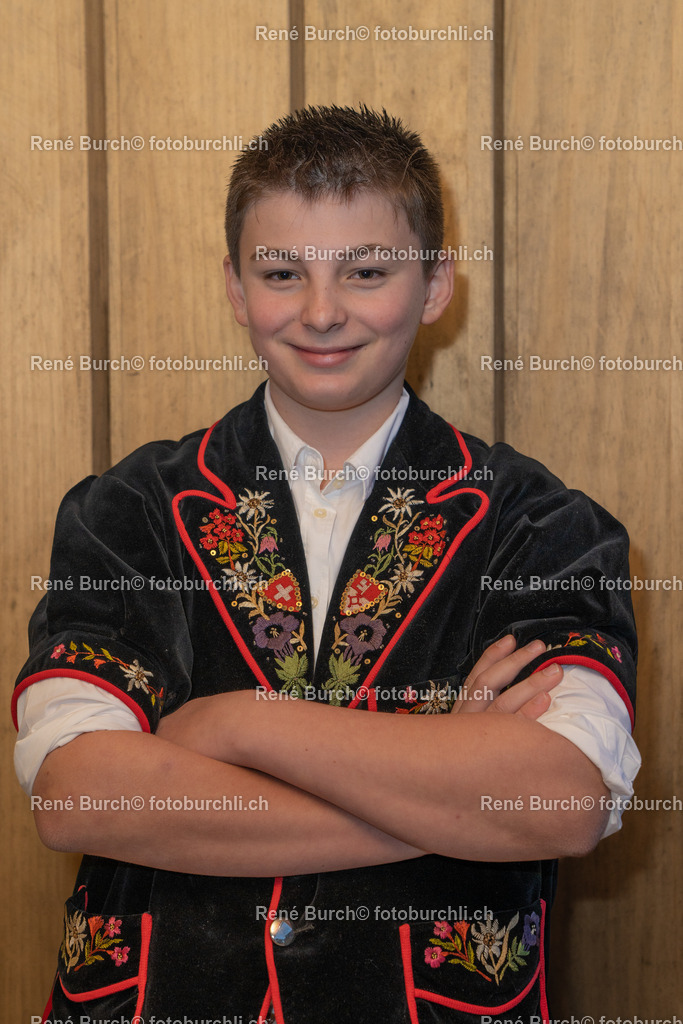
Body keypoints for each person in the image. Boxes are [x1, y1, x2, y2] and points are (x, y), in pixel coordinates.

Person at [13, 105, 639, 1024]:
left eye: (367, 271)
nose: (320, 312)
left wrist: (233, 723)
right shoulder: (127, 510)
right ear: (234, 287)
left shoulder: (540, 525)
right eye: (281, 273)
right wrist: (445, 798)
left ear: (434, 286)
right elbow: (81, 798)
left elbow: (555, 803)